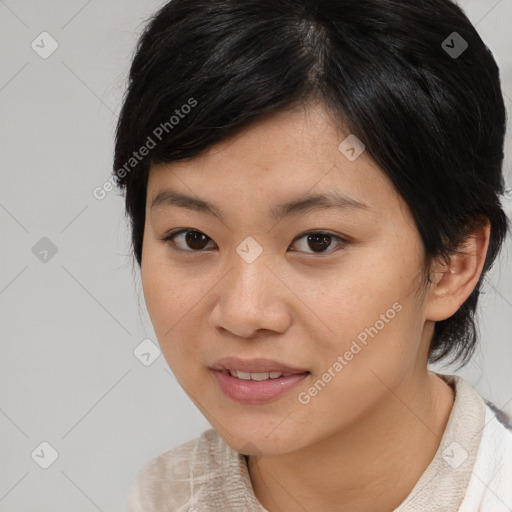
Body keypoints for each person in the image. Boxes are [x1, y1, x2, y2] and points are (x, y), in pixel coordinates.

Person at [113, 0, 512, 510]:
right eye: (194, 238)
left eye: (317, 241)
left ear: (453, 264)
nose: (243, 312)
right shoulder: (159, 498)